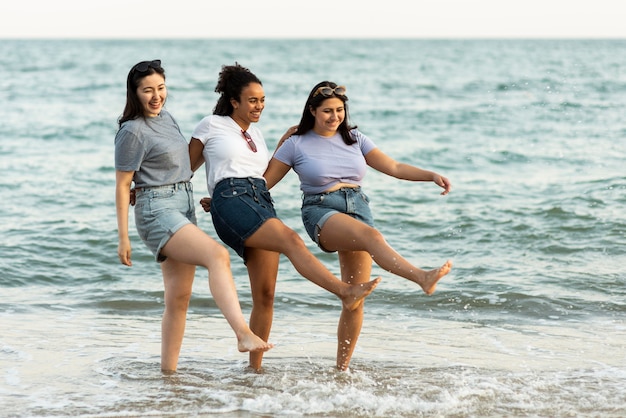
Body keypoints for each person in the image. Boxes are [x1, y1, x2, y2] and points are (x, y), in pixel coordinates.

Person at [188, 63, 381, 371]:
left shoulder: (257, 132)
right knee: (291, 240)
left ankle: (254, 370)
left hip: (259, 199)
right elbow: (186, 168)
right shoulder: (210, 125)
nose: (259, 106)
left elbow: (260, 176)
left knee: (265, 295)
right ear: (234, 101)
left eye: (262, 100)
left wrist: (281, 145)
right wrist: (144, 186)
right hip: (233, 199)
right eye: (252, 100)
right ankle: (344, 291)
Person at [264, 81, 453, 371]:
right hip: (321, 210)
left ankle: (341, 369)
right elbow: (265, 182)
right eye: (327, 111)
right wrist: (224, 198)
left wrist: (431, 175)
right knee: (372, 237)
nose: (334, 116)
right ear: (312, 111)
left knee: (355, 297)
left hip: (359, 207)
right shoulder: (295, 143)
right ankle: (421, 277)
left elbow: (394, 167)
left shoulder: (354, 138)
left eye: (339, 110)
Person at [114, 59, 272, 373]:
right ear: (134, 93)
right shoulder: (131, 131)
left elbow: (185, 164)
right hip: (157, 210)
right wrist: (123, 238)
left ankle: (168, 374)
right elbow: (122, 185)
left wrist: (223, 195)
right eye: (148, 90)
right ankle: (242, 333)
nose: (156, 96)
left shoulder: (167, 118)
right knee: (217, 255)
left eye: (160, 88)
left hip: (182, 203)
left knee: (179, 297)